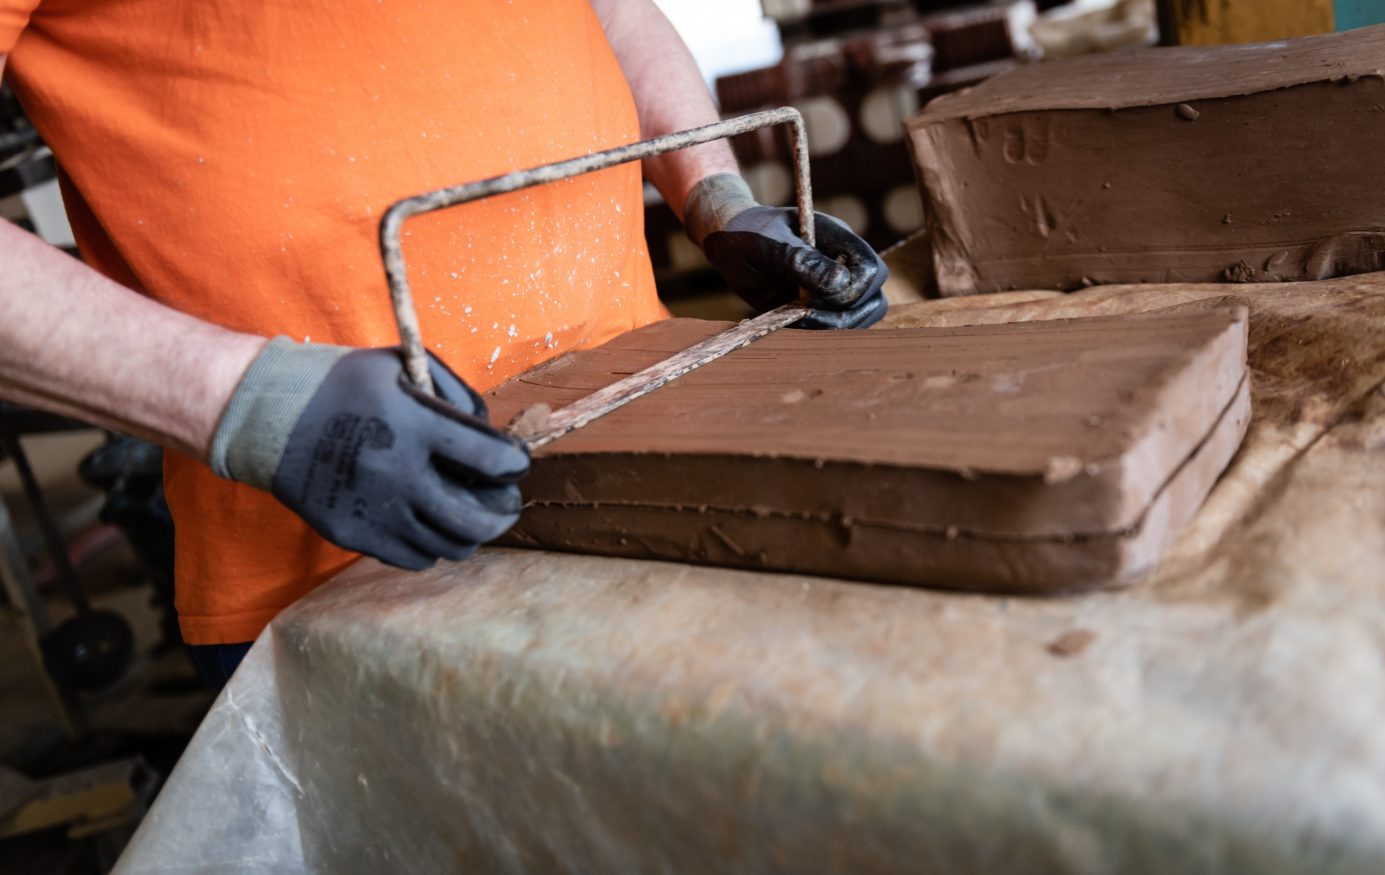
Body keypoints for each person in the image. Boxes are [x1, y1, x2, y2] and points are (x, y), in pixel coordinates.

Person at [0, 0, 888, 688]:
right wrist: (255, 406)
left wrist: (716, 197)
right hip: (352, 546)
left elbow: (609, 12)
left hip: (650, 442)